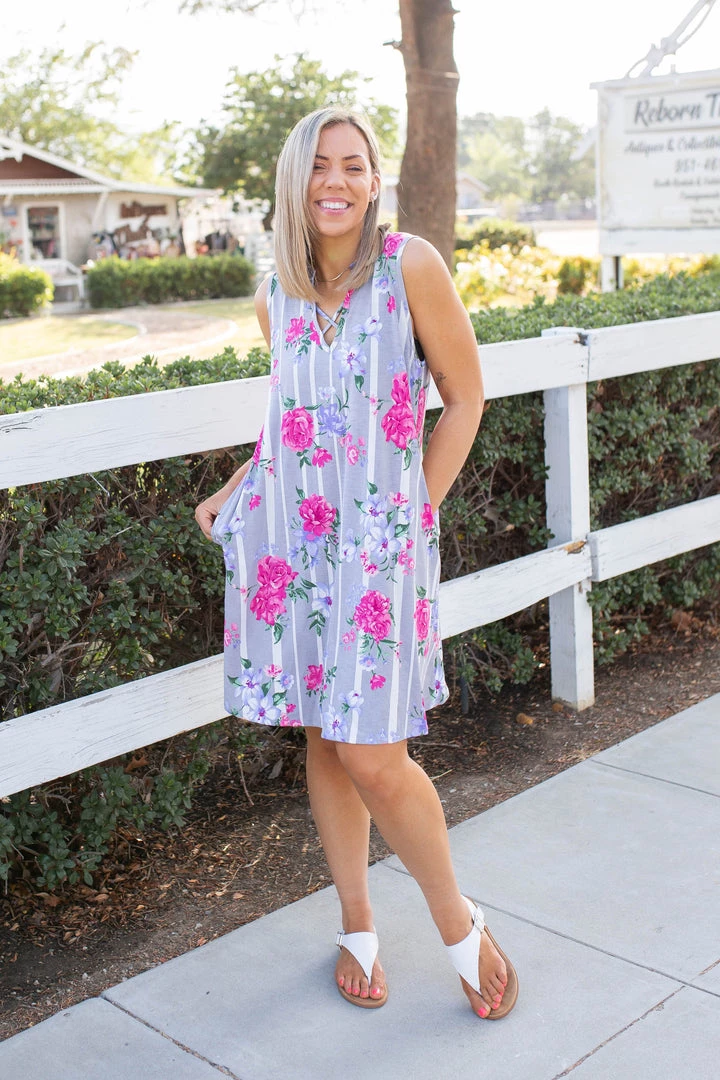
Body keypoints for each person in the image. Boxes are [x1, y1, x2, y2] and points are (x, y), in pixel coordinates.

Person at [195, 107, 518, 1020]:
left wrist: (411, 515)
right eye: (318, 165)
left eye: (352, 165)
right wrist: (235, 489)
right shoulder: (276, 292)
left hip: (381, 552)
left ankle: (458, 925)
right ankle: (356, 921)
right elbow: (301, 424)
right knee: (323, 736)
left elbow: (465, 397)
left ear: (375, 182)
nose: (334, 181)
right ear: (294, 182)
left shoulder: (411, 265)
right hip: (293, 550)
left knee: (373, 752)